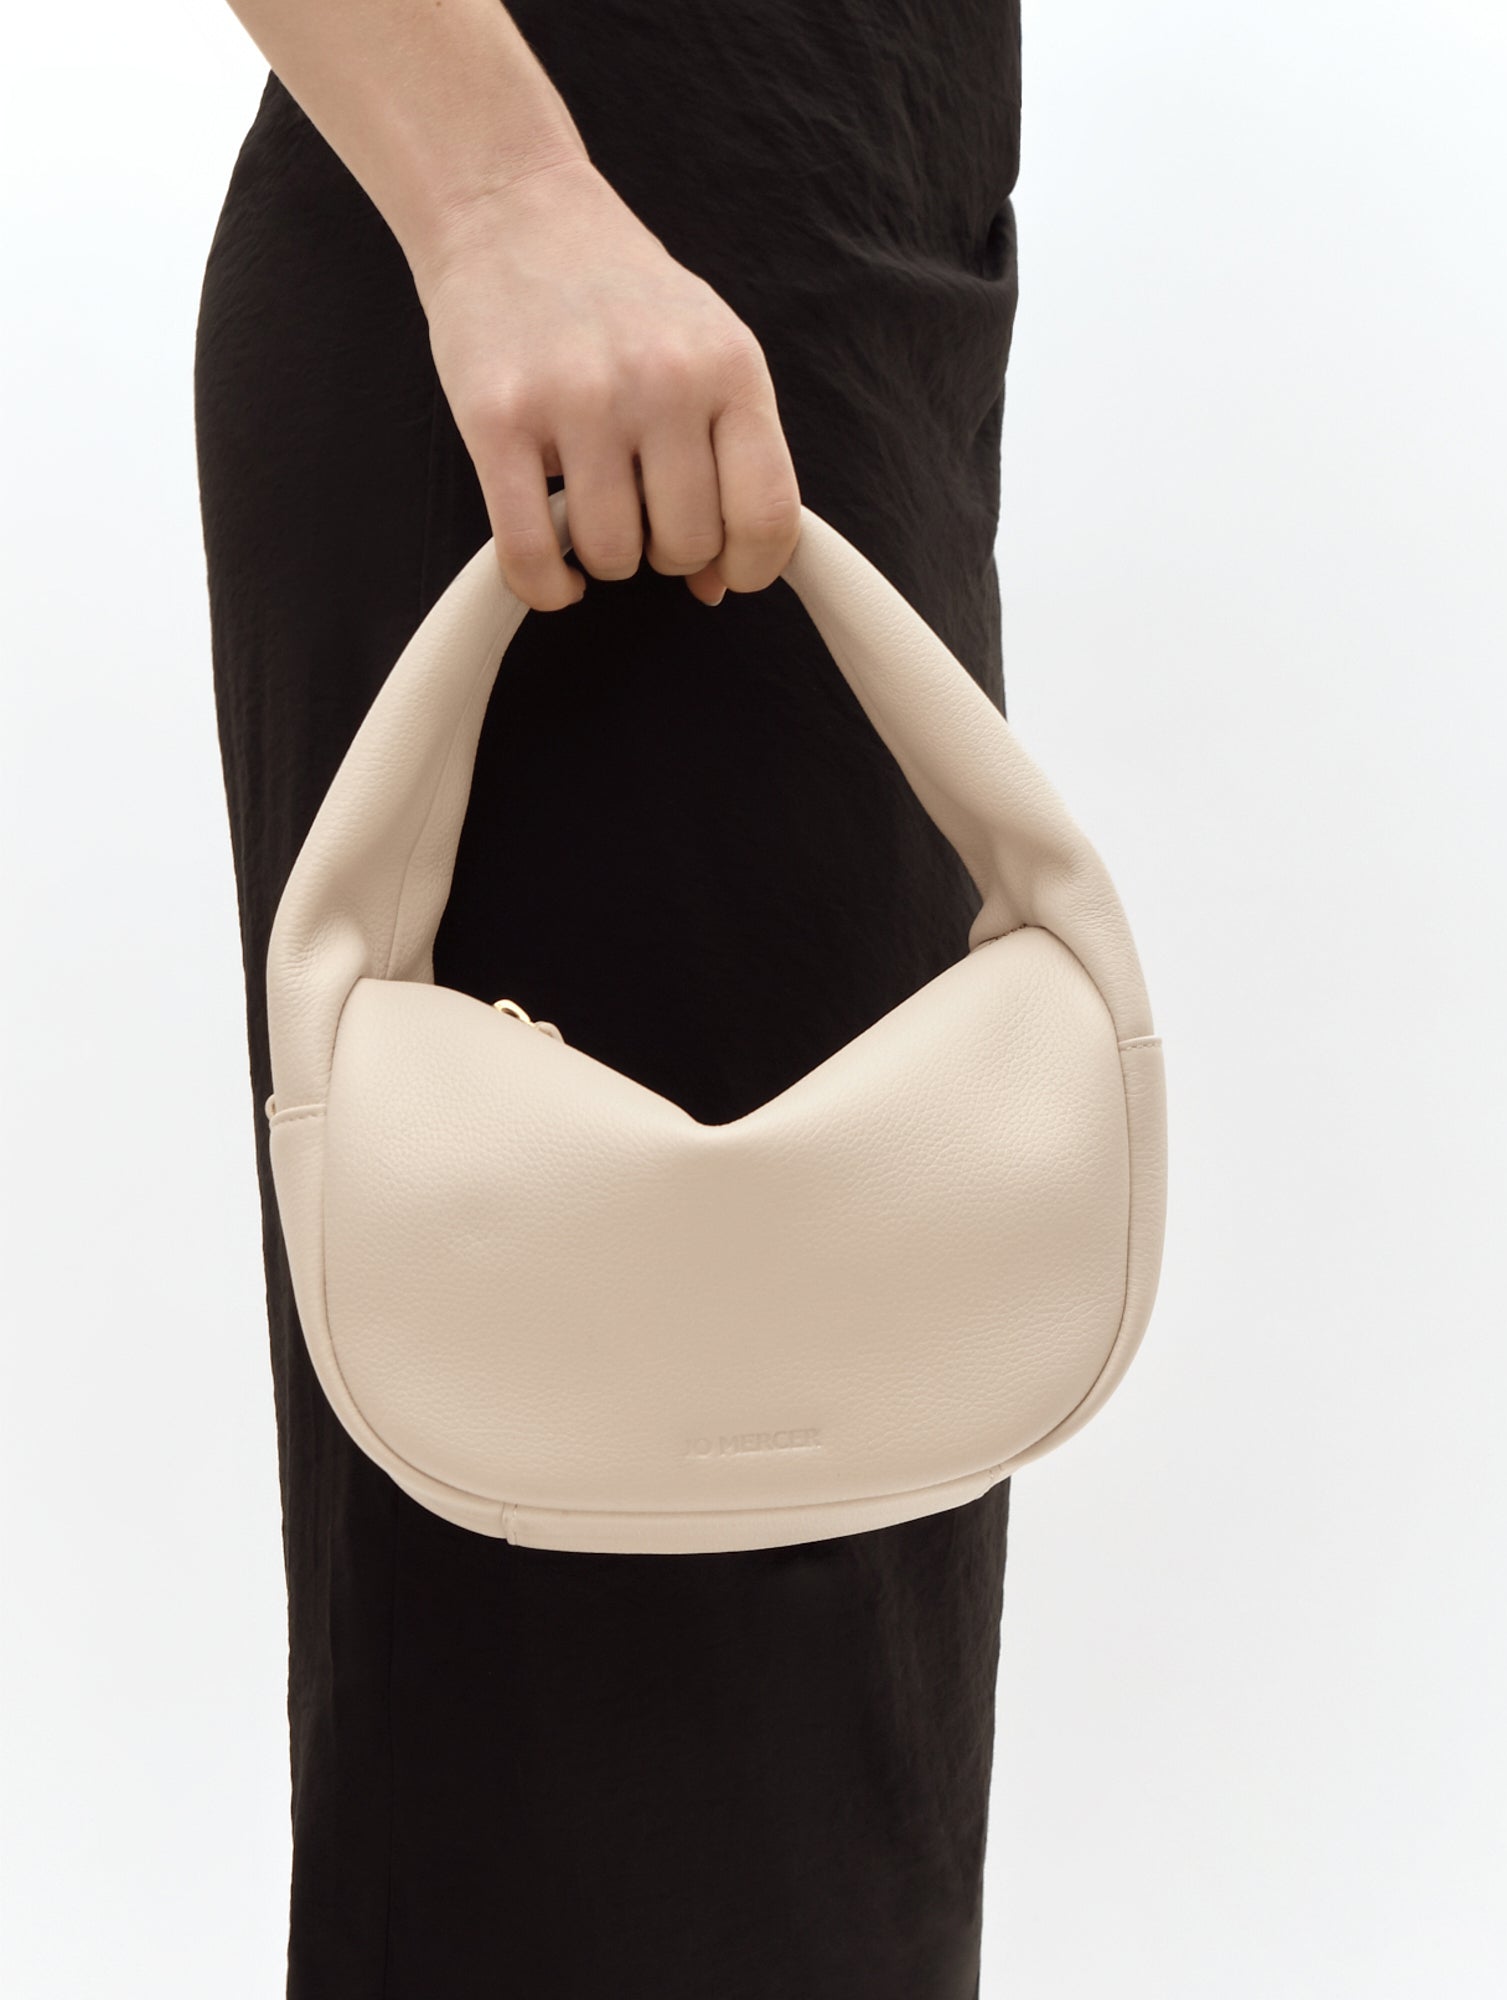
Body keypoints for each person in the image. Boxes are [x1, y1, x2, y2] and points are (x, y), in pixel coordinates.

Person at [193, 3, 1022, 1993]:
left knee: (811, 1709)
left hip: (838, 292)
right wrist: (499, 197)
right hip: (591, 316)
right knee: (619, 1726)